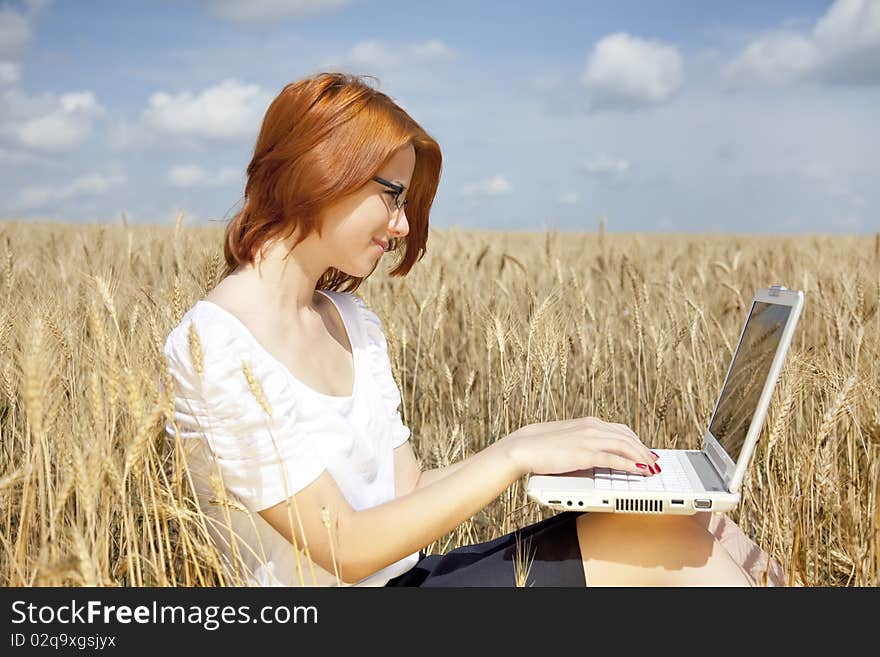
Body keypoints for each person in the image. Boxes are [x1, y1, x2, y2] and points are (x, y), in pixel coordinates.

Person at [162, 71, 785, 587]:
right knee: (683, 556)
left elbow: (405, 493)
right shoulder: (217, 345)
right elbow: (344, 548)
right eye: (392, 195)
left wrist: (561, 469)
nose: (402, 227)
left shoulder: (351, 321)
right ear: (323, 170)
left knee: (707, 526)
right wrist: (514, 453)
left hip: (411, 580)